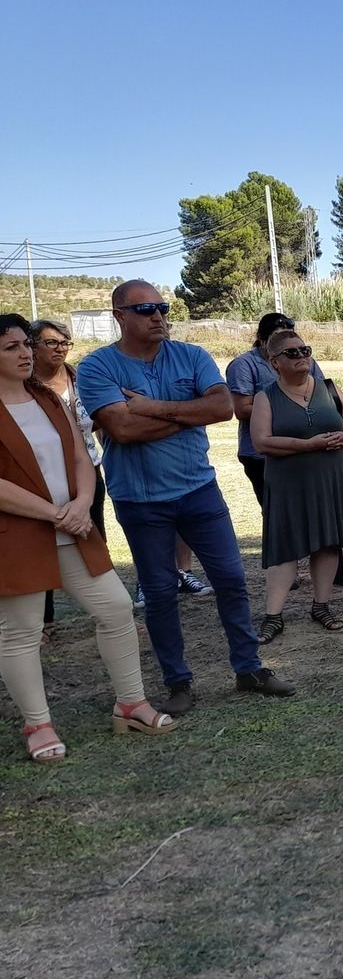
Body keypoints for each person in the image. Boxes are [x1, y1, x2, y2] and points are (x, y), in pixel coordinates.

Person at [74, 280, 294, 714]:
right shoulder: (96, 367)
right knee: (159, 592)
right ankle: (178, 682)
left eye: (162, 306)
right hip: (140, 500)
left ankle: (249, 668)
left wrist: (149, 407)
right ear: (119, 316)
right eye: (144, 309)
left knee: (231, 579)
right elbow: (121, 430)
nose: (157, 315)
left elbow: (221, 409)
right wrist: (187, 414)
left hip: (199, 490)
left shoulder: (191, 355)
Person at [1, 313, 174, 760]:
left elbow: (80, 455)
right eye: (11, 348)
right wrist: (56, 513)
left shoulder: (48, 399)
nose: (25, 353)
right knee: (21, 632)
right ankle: (37, 726)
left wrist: (80, 506)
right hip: (18, 533)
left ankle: (131, 703)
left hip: (74, 526)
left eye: (25, 345)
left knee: (116, 609)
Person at [227, 312, 343, 588]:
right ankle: (286, 576)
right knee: (282, 519)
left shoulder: (305, 364)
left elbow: (323, 398)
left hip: (320, 455)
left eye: (302, 347)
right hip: (265, 458)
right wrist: (286, 409)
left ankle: (334, 571)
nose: (296, 349)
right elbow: (242, 408)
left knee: (327, 517)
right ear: (266, 343)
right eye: (282, 337)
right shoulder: (243, 365)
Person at [251, 330, 343, 641]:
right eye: (292, 353)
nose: (302, 356)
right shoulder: (266, 397)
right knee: (286, 546)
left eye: (305, 350)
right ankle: (273, 616)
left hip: (334, 476)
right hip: (290, 481)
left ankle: (322, 605)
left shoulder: (328, 387)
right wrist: (307, 445)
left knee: (329, 541)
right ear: (274, 362)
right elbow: (261, 442)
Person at [29, 317, 110, 634]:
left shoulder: (80, 378)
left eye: (64, 343)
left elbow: (99, 424)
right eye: (51, 343)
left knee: (96, 536)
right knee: (42, 546)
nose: (60, 349)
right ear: (32, 346)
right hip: (43, 477)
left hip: (88, 471)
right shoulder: (23, 387)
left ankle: (108, 611)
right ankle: (44, 621)